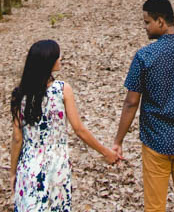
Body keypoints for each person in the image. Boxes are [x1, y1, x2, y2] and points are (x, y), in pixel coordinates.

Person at [113, 0, 174, 212]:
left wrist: (118, 140)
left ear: (161, 21)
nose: (145, 27)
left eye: (147, 22)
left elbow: (131, 102)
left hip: (155, 141)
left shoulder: (145, 56)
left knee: (154, 206)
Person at [10, 39, 119, 212]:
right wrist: (106, 152)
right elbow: (79, 129)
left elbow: (17, 138)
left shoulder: (20, 94)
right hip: (57, 165)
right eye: (57, 56)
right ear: (48, 62)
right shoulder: (62, 89)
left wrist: (13, 171)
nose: (60, 59)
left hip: (29, 166)